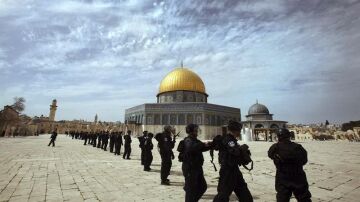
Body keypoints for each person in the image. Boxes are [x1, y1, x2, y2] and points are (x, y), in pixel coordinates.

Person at [213, 120, 253, 202]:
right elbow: (235, 151)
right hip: (227, 171)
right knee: (222, 196)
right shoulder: (228, 140)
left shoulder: (232, 140)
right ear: (235, 130)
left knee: (246, 196)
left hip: (234, 170)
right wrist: (242, 148)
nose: (240, 132)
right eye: (239, 130)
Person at [268, 128, 312, 202]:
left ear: (278, 136)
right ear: (289, 136)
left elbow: (270, 155)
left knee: (282, 198)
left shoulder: (275, 147)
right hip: (298, 176)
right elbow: (304, 160)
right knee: (304, 198)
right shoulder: (298, 147)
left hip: (282, 177)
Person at [181, 124, 211, 202]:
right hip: (190, 167)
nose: (197, 131)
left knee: (202, 187)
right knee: (190, 190)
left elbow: (202, 148)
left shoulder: (195, 140)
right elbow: (191, 148)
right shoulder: (188, 140)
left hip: (197, 167)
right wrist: (202, 144)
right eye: (195, 130)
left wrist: (212, 145)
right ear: (190, 131)